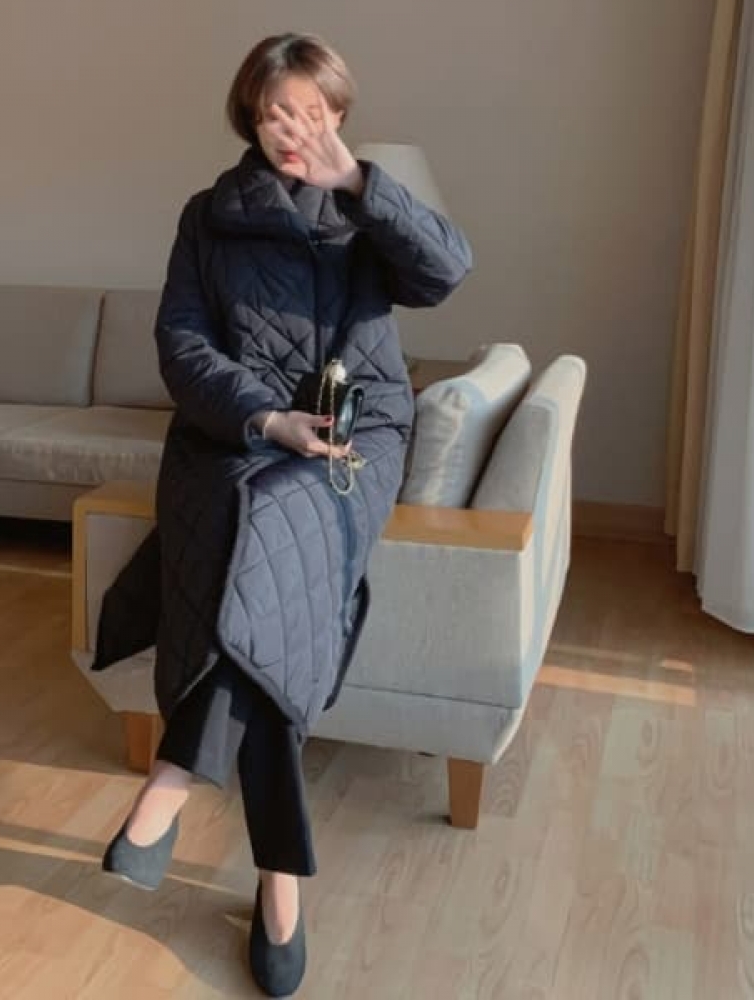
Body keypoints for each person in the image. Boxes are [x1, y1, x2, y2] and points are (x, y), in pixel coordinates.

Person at [96, 32, 472, 997]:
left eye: (310, 111)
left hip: (353, 435)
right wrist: (264, 417)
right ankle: (280, 887)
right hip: (235, 430)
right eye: (275, 113)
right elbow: (182, 346)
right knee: (262, 552)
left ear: (338, 113)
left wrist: (359, 184)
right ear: (249, 119)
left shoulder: (367, 207)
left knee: (282, 522)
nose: (292, 129)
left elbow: (446, 273)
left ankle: (173, 778)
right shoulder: (207, 216)